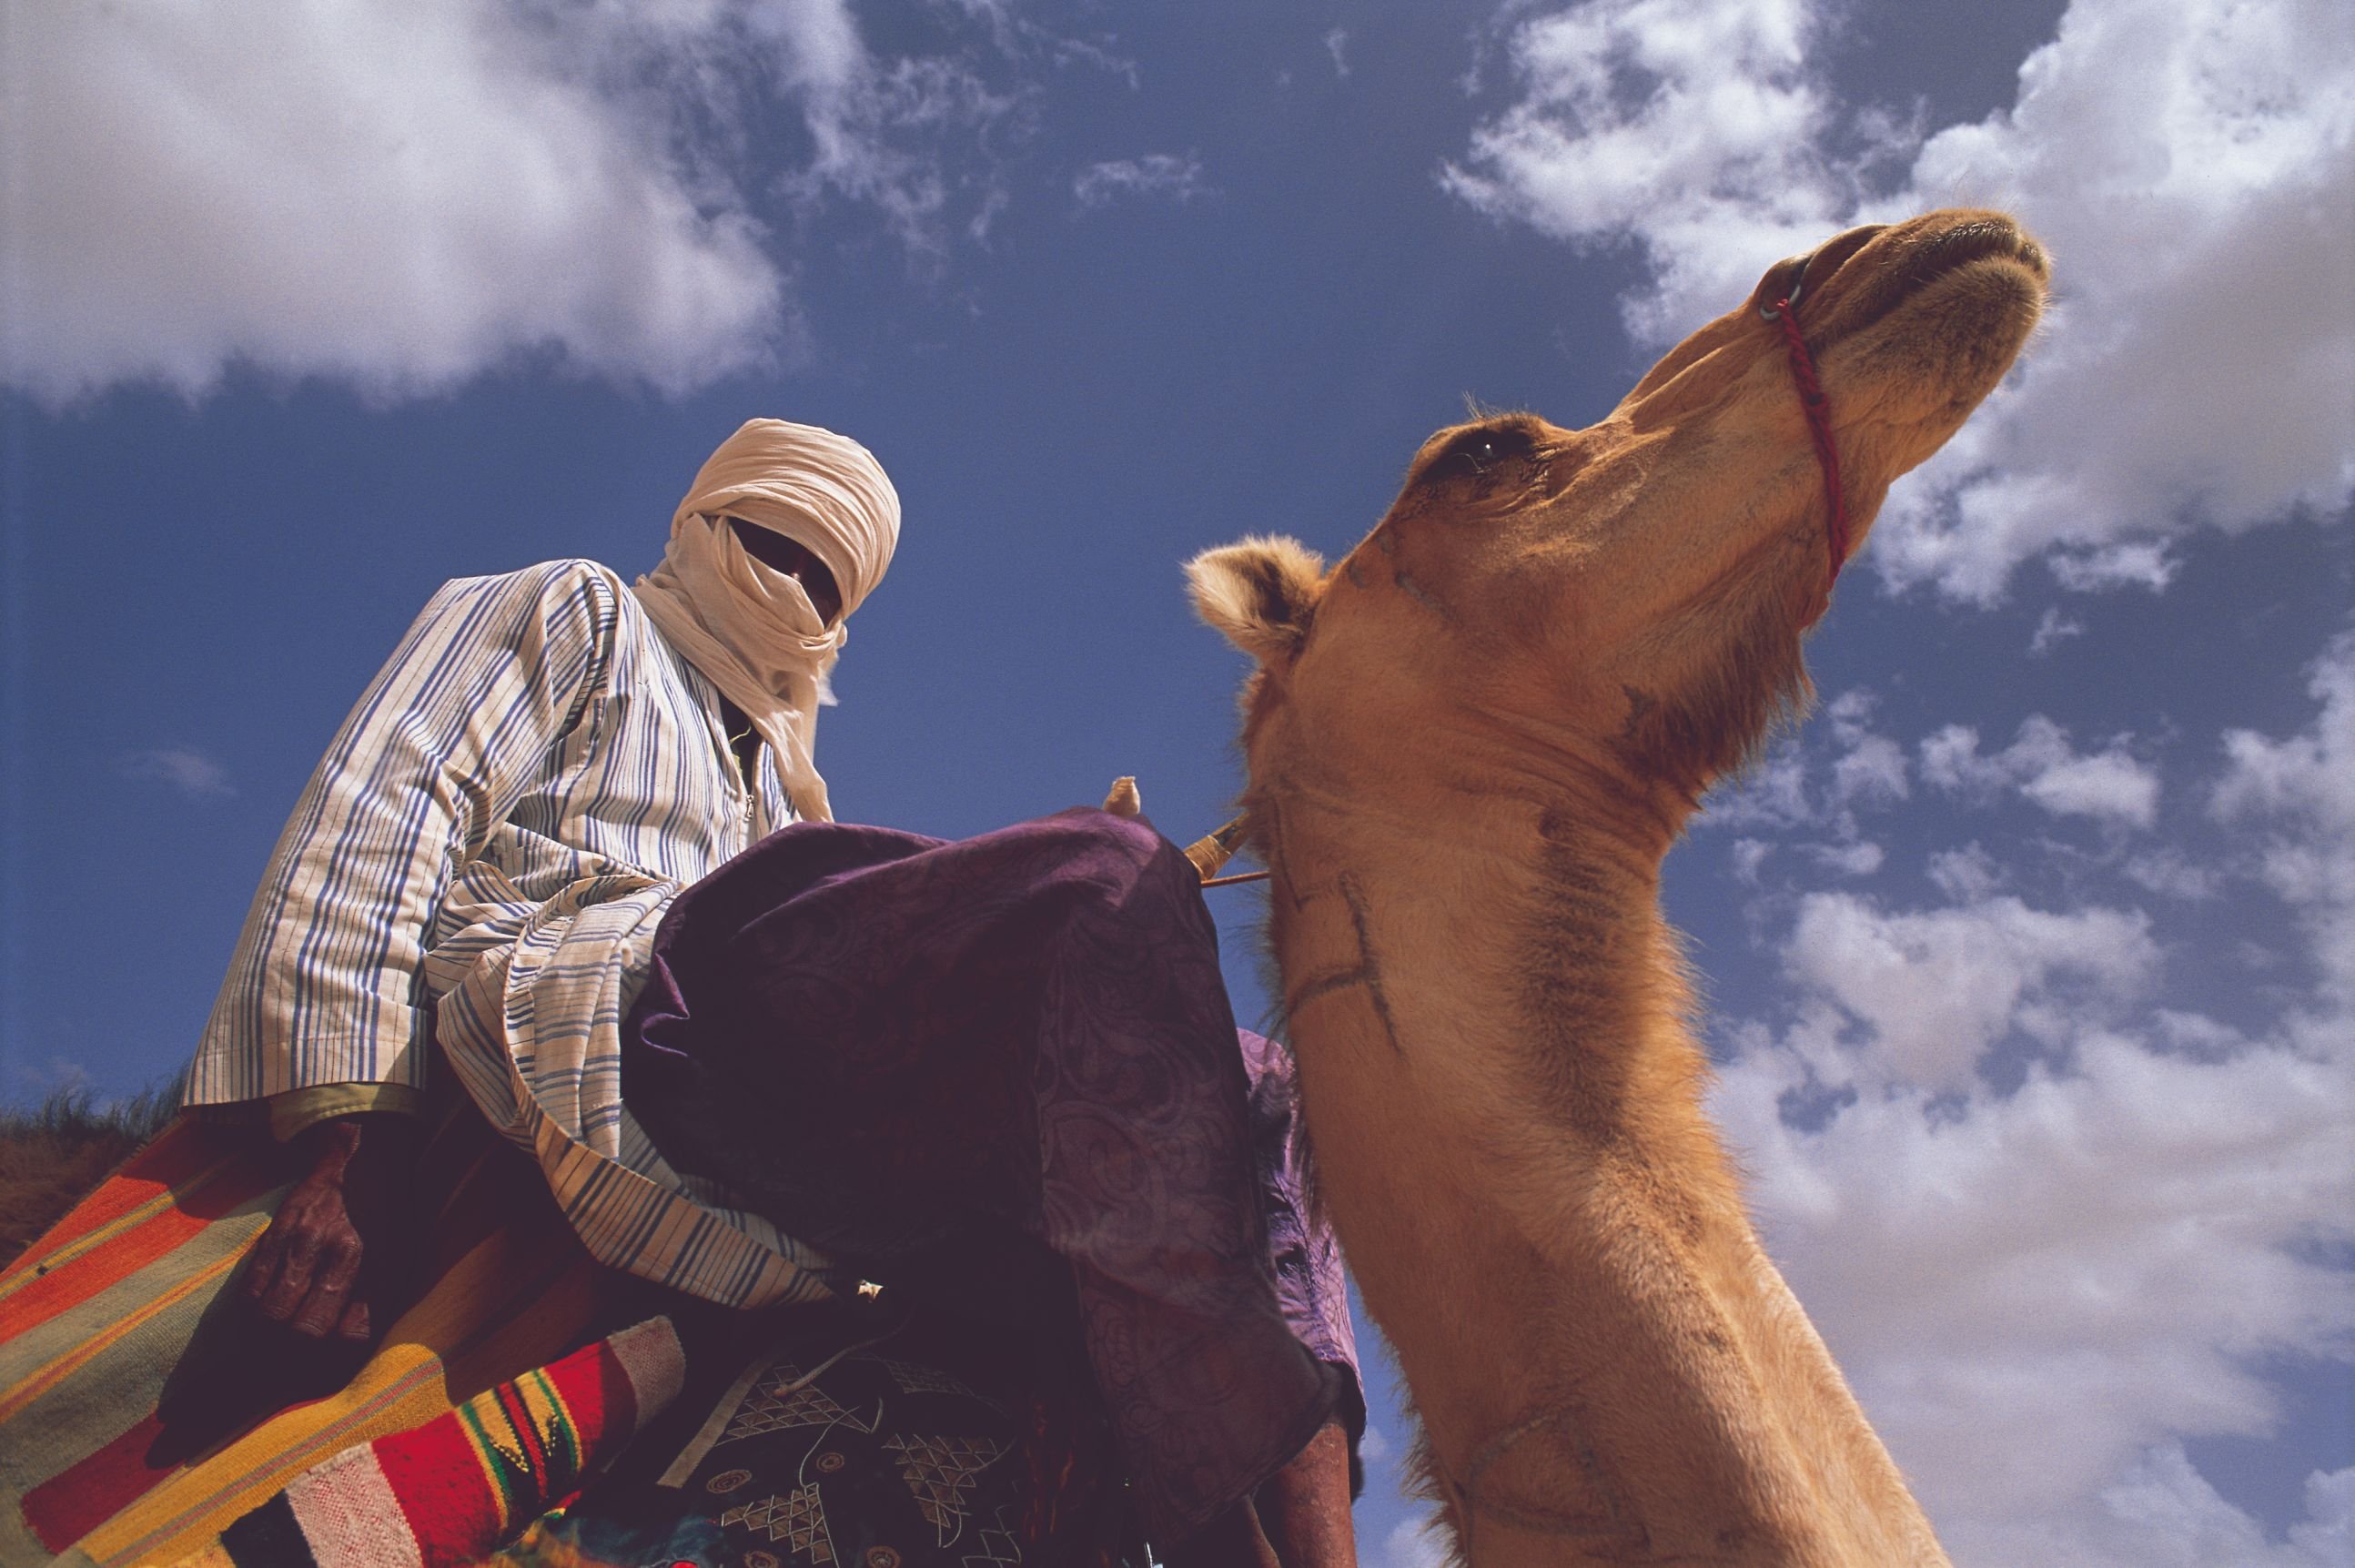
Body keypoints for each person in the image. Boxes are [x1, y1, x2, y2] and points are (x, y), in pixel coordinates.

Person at [176, 420, 1360, 1565]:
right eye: (768, 541)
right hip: (620, 996)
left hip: (771, 1168)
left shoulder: (794, 784)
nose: (789, 585)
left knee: (1256, 1090)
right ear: (701, 519)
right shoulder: (583, 612)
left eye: (825, 578)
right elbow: (389, 804)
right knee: (1108, 879)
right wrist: (349, 1138)